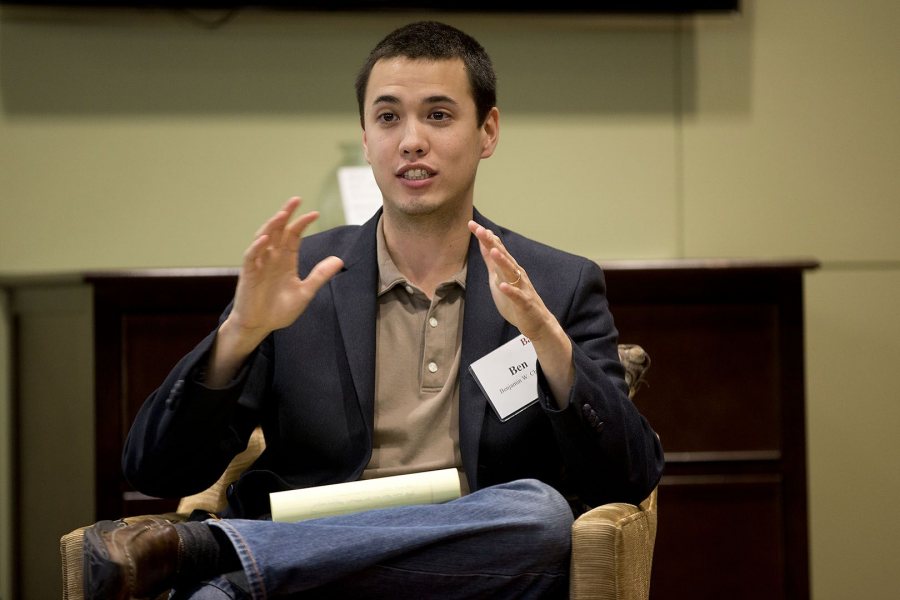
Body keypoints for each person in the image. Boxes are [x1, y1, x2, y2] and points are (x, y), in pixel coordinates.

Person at [83, 20, 664, 600]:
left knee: (539, 515)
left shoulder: (556, 284)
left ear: (487, 131)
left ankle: (219, 552)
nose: (411, 140)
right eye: (388, 117)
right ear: (366, 138)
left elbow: (628, 478)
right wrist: (240, 333)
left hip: (468, 572)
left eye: (438, 115)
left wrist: (547, 340)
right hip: (307, 573)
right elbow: (155, 471)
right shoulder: (303, 277)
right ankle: (252, 562)